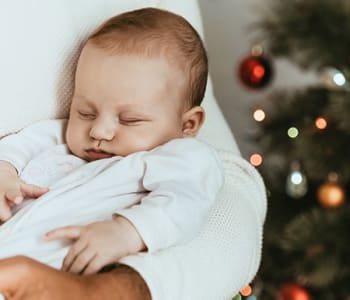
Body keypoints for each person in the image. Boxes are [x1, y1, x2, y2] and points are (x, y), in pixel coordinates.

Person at [0, 6, 223, 276]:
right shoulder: (59, 137)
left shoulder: (180, 158)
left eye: (129, 119)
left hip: (53, 276)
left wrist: (127, 232)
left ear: (187, 125)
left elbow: (187, 201)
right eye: (85, 112)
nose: (99, 131)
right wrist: (4, 173)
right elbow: (18, 146)